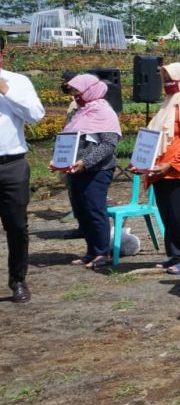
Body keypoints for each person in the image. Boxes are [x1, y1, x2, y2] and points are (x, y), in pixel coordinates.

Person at [54, 74, 122, 269]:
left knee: (94, 209)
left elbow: (109, 144)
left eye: (78, 91)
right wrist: (58, 160)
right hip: (75, 170)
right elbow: (68, 139)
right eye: (73, 91)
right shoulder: (81, 112)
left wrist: (86, 161)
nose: (75, 95)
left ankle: (102, 253)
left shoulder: (104, 112)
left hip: (98, 170)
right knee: (81, 210)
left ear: (90, 90)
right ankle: (91, 251)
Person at [0, 35, 45, 302]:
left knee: (17, 227)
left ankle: (18, 280)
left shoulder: (17, 82)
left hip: (11, 165)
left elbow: (36, 115)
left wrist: (7, 91)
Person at [137, 63, 180, 274]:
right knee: (168, 217)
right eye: (164, 78)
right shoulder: (167, 105)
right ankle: (176, 255)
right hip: (160, 172)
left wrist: (170, 164)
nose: (167, 82)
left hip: (179, 172)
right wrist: (142, 163)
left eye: (171, 77)